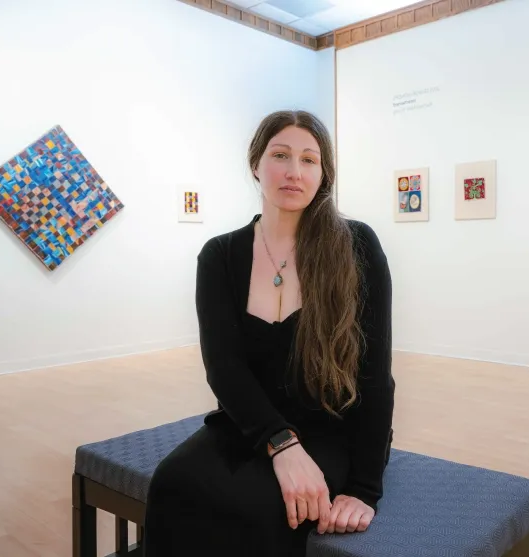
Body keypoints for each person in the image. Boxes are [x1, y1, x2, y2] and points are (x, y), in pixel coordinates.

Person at [142, 110, 396, 556]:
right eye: (280, 155)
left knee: (262, 509)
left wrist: (364, 488)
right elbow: (224, 367)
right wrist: (281, 444)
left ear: (324, 173)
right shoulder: (220, 255)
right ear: (256, 164)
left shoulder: (356, 245)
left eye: (309, 160)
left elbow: (376, 377)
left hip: (330, 431)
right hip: (248, 424)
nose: (294, 172)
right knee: (171, 483)